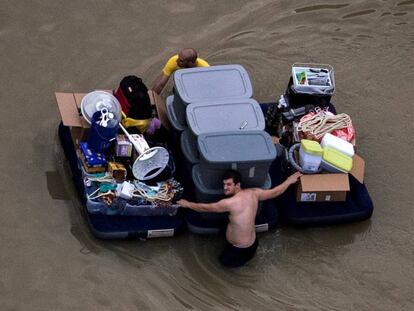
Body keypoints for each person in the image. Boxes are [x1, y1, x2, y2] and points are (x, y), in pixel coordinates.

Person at [178, 170, 302, 268]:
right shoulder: (254, 193)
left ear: (237, 185)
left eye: (228, 184)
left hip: (238, 249)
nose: (225, 187)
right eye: (224, 184)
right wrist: (289, 180)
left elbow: (205, 208)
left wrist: (187, 204)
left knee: (222, 267)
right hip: (253, 244)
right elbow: (275, 192)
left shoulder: (229, 203)